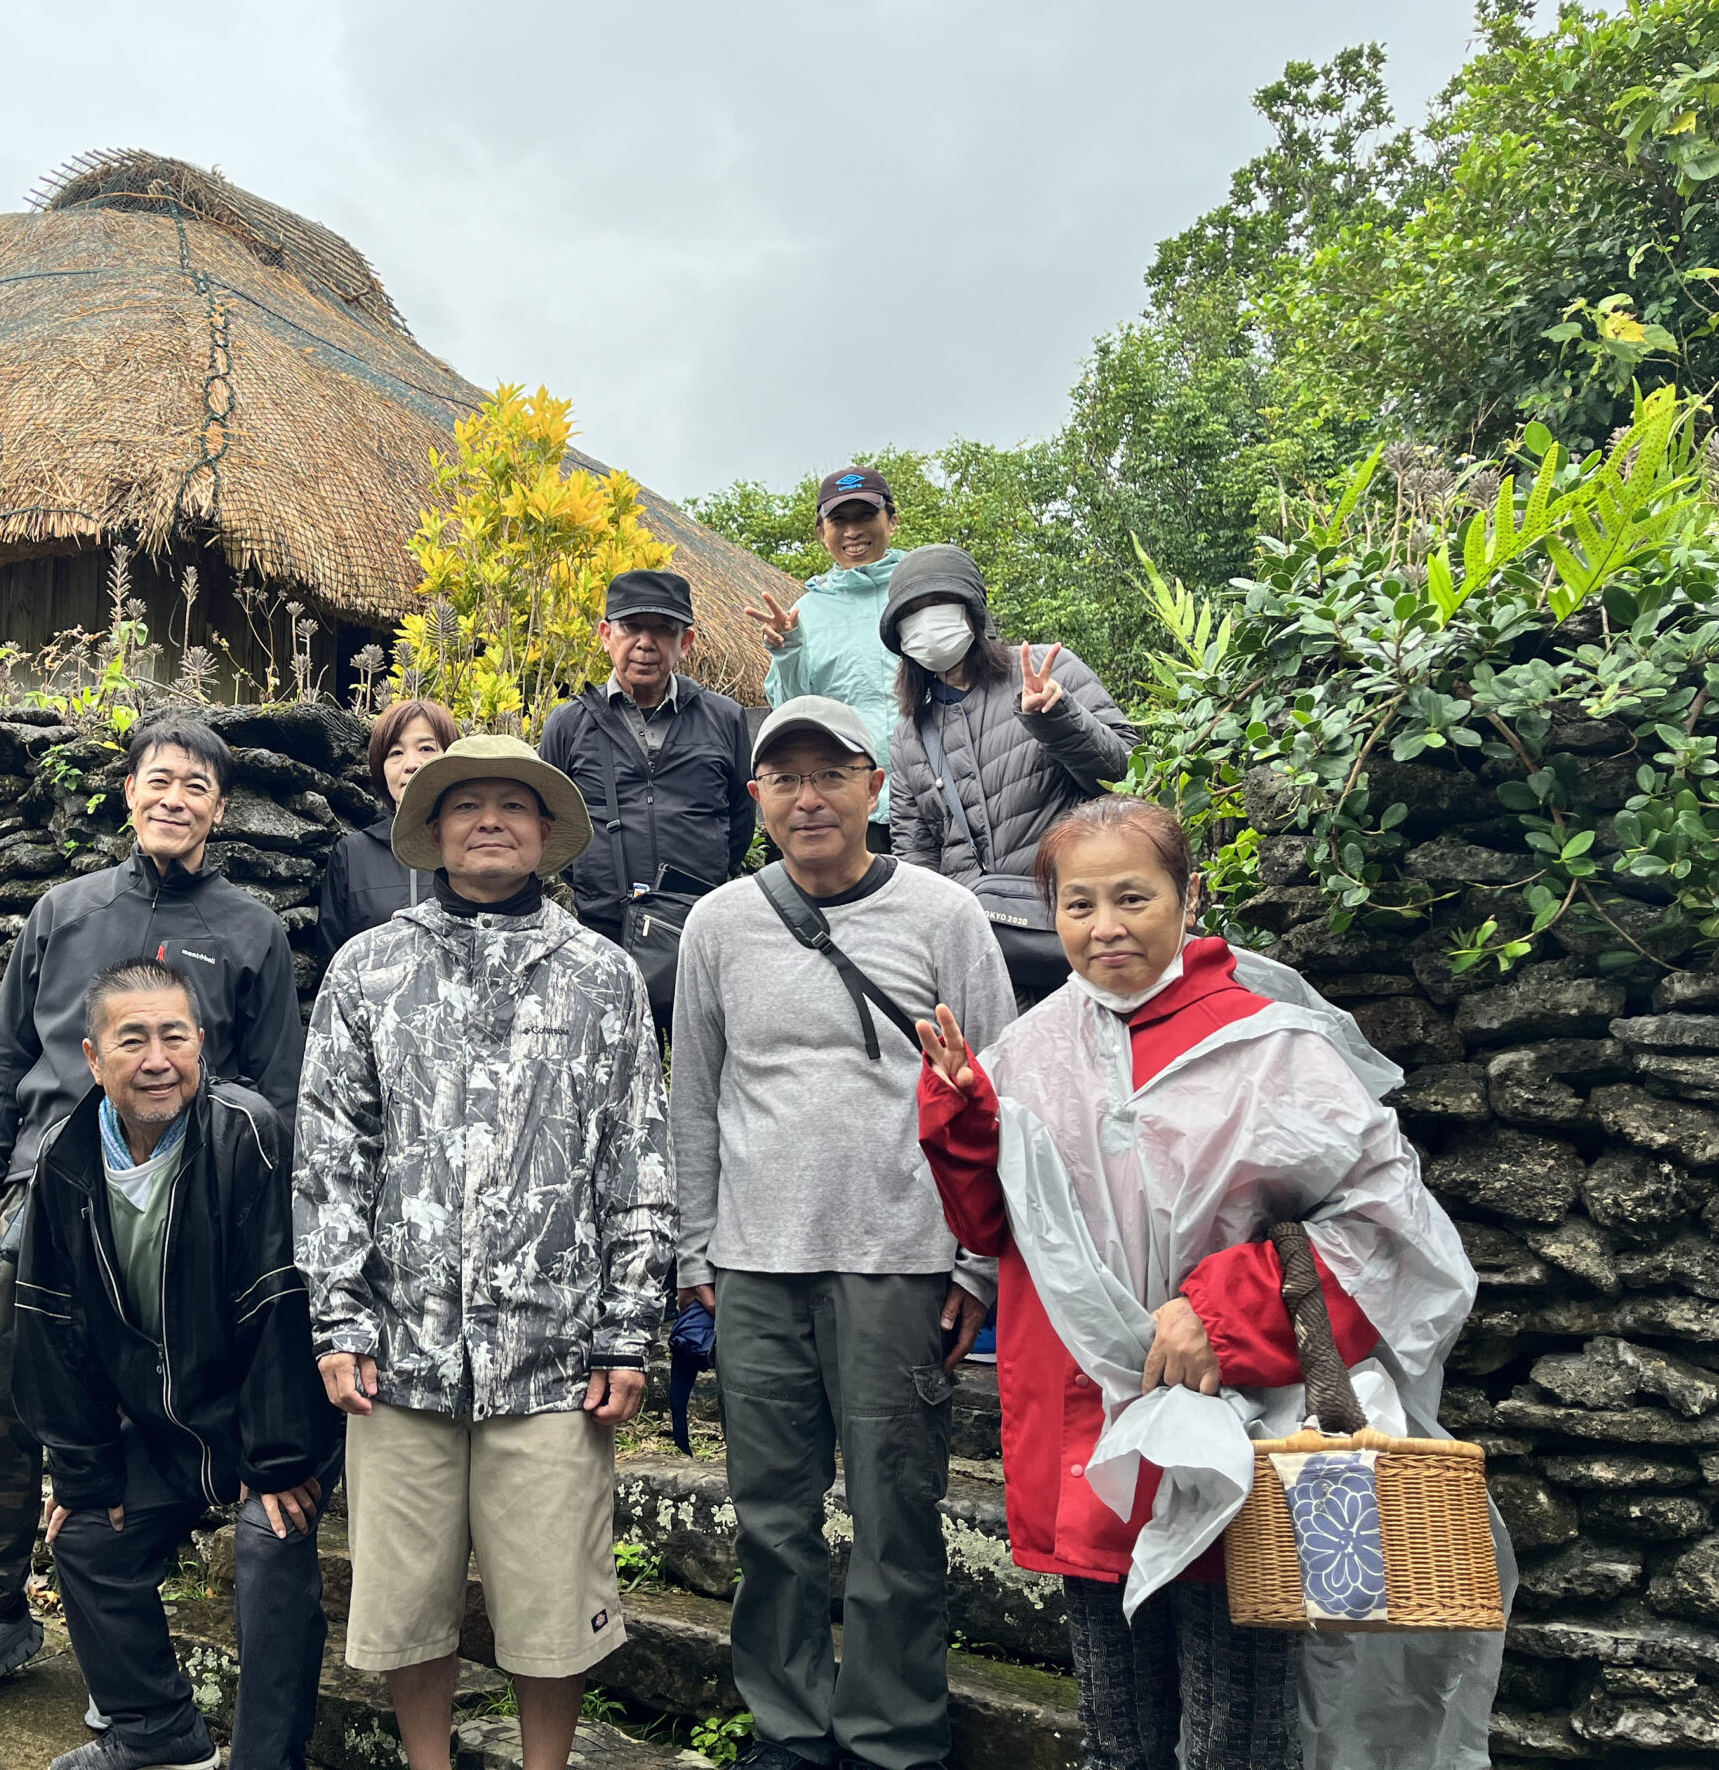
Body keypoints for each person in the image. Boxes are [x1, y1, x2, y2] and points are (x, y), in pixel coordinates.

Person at [914, 796, 1500, 1770]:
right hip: (1084, 1426)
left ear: (1190, 897)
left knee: (1232, 1737)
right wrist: (967, 1121)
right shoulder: (1030, 1049)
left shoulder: (1270, 1048)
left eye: (1132, 898)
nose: (1104, 928)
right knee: (1115, 1734)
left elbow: (1382, 1227)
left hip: (1235, 1435)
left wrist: (1220, 1317)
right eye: (1076, 904)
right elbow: (989, 1229)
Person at [295, 734, 673, 1770]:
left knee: (552, 1602)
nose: (491, 820)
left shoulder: (601, 978)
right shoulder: (368, 970)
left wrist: (626, 1331)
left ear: (546, 834)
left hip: (551, 1354)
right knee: (405, 1599)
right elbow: (330, 1151)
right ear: (433, 832)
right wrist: (337, 1314)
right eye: (468, 806)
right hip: (399, 1350)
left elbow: (636, 1156)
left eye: (515, 804)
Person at [0, 715, 305, 1724]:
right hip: (51, 1204)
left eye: (197, 787)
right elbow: (4, 1061)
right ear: (127, 792)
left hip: (192, 1217)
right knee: (5, 1410)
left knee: (156, 1419)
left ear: (221, 809)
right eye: (159, 780)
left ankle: (124, 1654)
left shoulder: (250, 928)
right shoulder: (62, 912)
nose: (175, 798)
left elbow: (274, 1090)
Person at [669, 695, 1015, 1770]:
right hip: (754, 1266)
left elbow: (997, 1089)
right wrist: (694, 1251)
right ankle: (787, 1725)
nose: (808, 797)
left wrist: (977, 1260)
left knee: (895, 1515)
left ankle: (892, 1733)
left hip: (901, 1263)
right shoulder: (717, 924)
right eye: (786, 778)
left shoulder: (944, 916)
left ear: (875, 787)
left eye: (831, 774)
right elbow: (694, 1097)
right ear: (756, 798)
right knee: (770, 1520)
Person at [13, 957, 337, 1770]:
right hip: (158, 1428)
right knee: (85, 1539)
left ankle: (267, 1761)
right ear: (93, 1059)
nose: (158, 1059)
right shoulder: (65, 1160)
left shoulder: (248, 1133)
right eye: (133, 1041)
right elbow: (53, 1329)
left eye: (174, 1037)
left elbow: (281, 1303)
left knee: (273, 1540)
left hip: (258, 1421)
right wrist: (84, 1470)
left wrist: (279, 1460)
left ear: (202, 1044)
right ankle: (156, 1737)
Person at [878, 544, 1136, 1000]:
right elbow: (915, 851)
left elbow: (1126, 781)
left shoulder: (1044, 670)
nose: (926, 622)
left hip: (1076, 927)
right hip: (981, 951)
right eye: (911, 613)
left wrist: (1056, 716)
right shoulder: (909, 733)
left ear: (973, 612)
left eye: (937, 604)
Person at [538, 566, 756, 948]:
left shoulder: (725, 718)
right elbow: (549, 822)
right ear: (607, 635)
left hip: (698, 929)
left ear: (684, 641)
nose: (645, 642)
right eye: (631, 626)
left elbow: (740, 819)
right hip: (602, 932)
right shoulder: (569, 723)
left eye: (662, 629)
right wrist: (592, 883)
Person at [743, 466, 909, 851]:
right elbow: (793, 711)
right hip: (851, 807)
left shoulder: (919, 590)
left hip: (932, 797)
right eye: (839, 520)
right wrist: (788, 651)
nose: (853, 532)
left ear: (892, 521)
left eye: (866, 516)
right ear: (821, 532)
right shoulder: (807, 611)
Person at [317, 696, 461, 957]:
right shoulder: (352, 855)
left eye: (427, 749)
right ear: (380, 769)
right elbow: (333, 960)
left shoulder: (474, 847)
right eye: (396, 753)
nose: (411, 764)